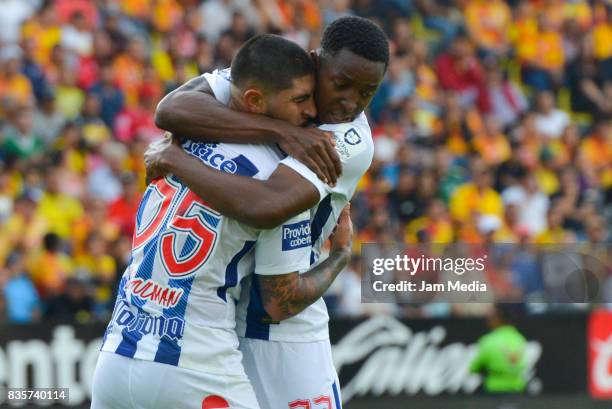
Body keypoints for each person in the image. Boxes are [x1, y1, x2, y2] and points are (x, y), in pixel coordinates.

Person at [91, 34, 353, 409]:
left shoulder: (178, 139)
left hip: (116, 356)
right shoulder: (278, 175)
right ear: (255, 100)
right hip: (197, 366)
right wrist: (339, 256)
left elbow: (170, 109)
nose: (311, 112)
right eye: (300, 100)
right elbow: (281, 295)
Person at [149, 16, 389, 409]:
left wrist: (343, 255)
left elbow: (265, 207)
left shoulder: (349, 141)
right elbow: (172, 109)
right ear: (316, 63)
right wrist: (280, 132)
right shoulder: (280, 77)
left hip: (287, 332)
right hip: (224, 330)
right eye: (341, 83)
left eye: (368, 92)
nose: (351, 102)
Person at [470, 304, 528, 394]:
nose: (488, 319)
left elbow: (473, 368)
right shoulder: (520, 339)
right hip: (517, 389)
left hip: (494, 390)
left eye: (491, 316)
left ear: (497, 318)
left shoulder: (488, 340)